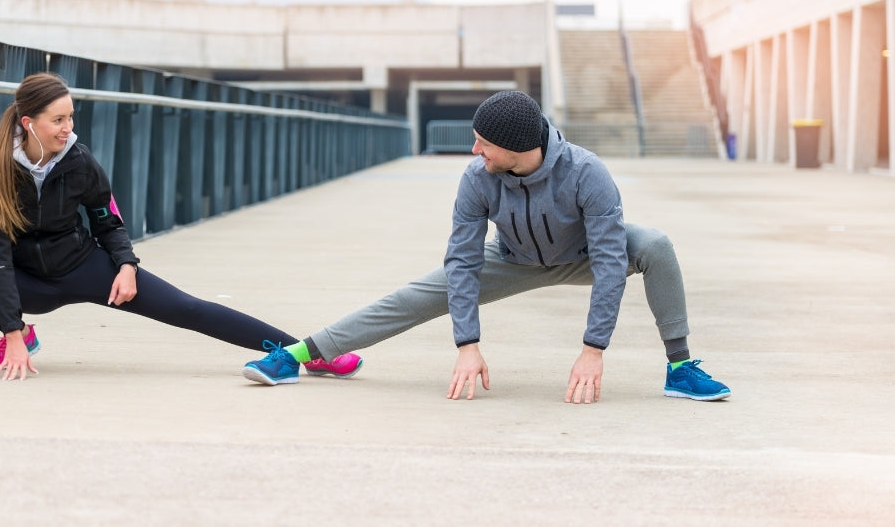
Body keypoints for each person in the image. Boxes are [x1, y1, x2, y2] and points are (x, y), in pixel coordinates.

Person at [242, 90, 730, 403]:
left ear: (518, 147)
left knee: (654, 244)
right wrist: (467, 345)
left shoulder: (586, 173)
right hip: (512, 258)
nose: (475, 151)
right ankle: (298, 354)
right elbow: (462, 259)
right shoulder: (478, 177)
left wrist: (592, 349)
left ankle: (681, 368)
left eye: (483, 143)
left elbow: (607, 263)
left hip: (580, 255)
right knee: (415, 293)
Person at [0, 72, 363, 381]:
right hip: (26, 276)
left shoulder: (80, 160)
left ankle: (307, 353)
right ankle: (23, 335)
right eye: (58, 120)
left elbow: (108, 220)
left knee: (189, 309)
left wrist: (125, 265)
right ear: (28, 123)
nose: (68, 129)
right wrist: (13, 329)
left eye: (71, 118)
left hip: (86, 267)